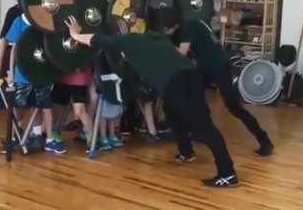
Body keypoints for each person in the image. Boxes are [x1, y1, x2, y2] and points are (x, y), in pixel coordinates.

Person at [65, 15, 239, 188]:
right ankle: (186, 151)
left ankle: (227, 173)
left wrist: (75, 36)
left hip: (176, 82)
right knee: (171, 112)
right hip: (191, 74)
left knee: (203, 126)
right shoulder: (152, 37)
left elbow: (96, 40)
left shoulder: (126, 42)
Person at [162, 14, 274, 156]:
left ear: (171, 26)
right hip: (208, 66)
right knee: (195, 98)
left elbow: (181, 54)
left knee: (234, 107)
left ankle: (265, 141)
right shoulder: (194, 22)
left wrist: (162, 52)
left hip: (218, 66)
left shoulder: (186, 28)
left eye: (164, 30)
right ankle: (198, 135)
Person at [6, 14, 66, 154]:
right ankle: (14, 136)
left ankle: (47, 139)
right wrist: (10, 72)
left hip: (42, 72)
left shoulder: (44, 21)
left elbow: (51, 45)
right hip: (22, 74)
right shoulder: (19, 21)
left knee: (44, 106)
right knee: (19, 107)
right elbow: (14, 49)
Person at [52, 67, 94, 153]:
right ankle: (55, 134)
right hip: (62, 78)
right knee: (58, 111)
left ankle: (92, 141)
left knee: (79, 112)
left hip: (80, 79)